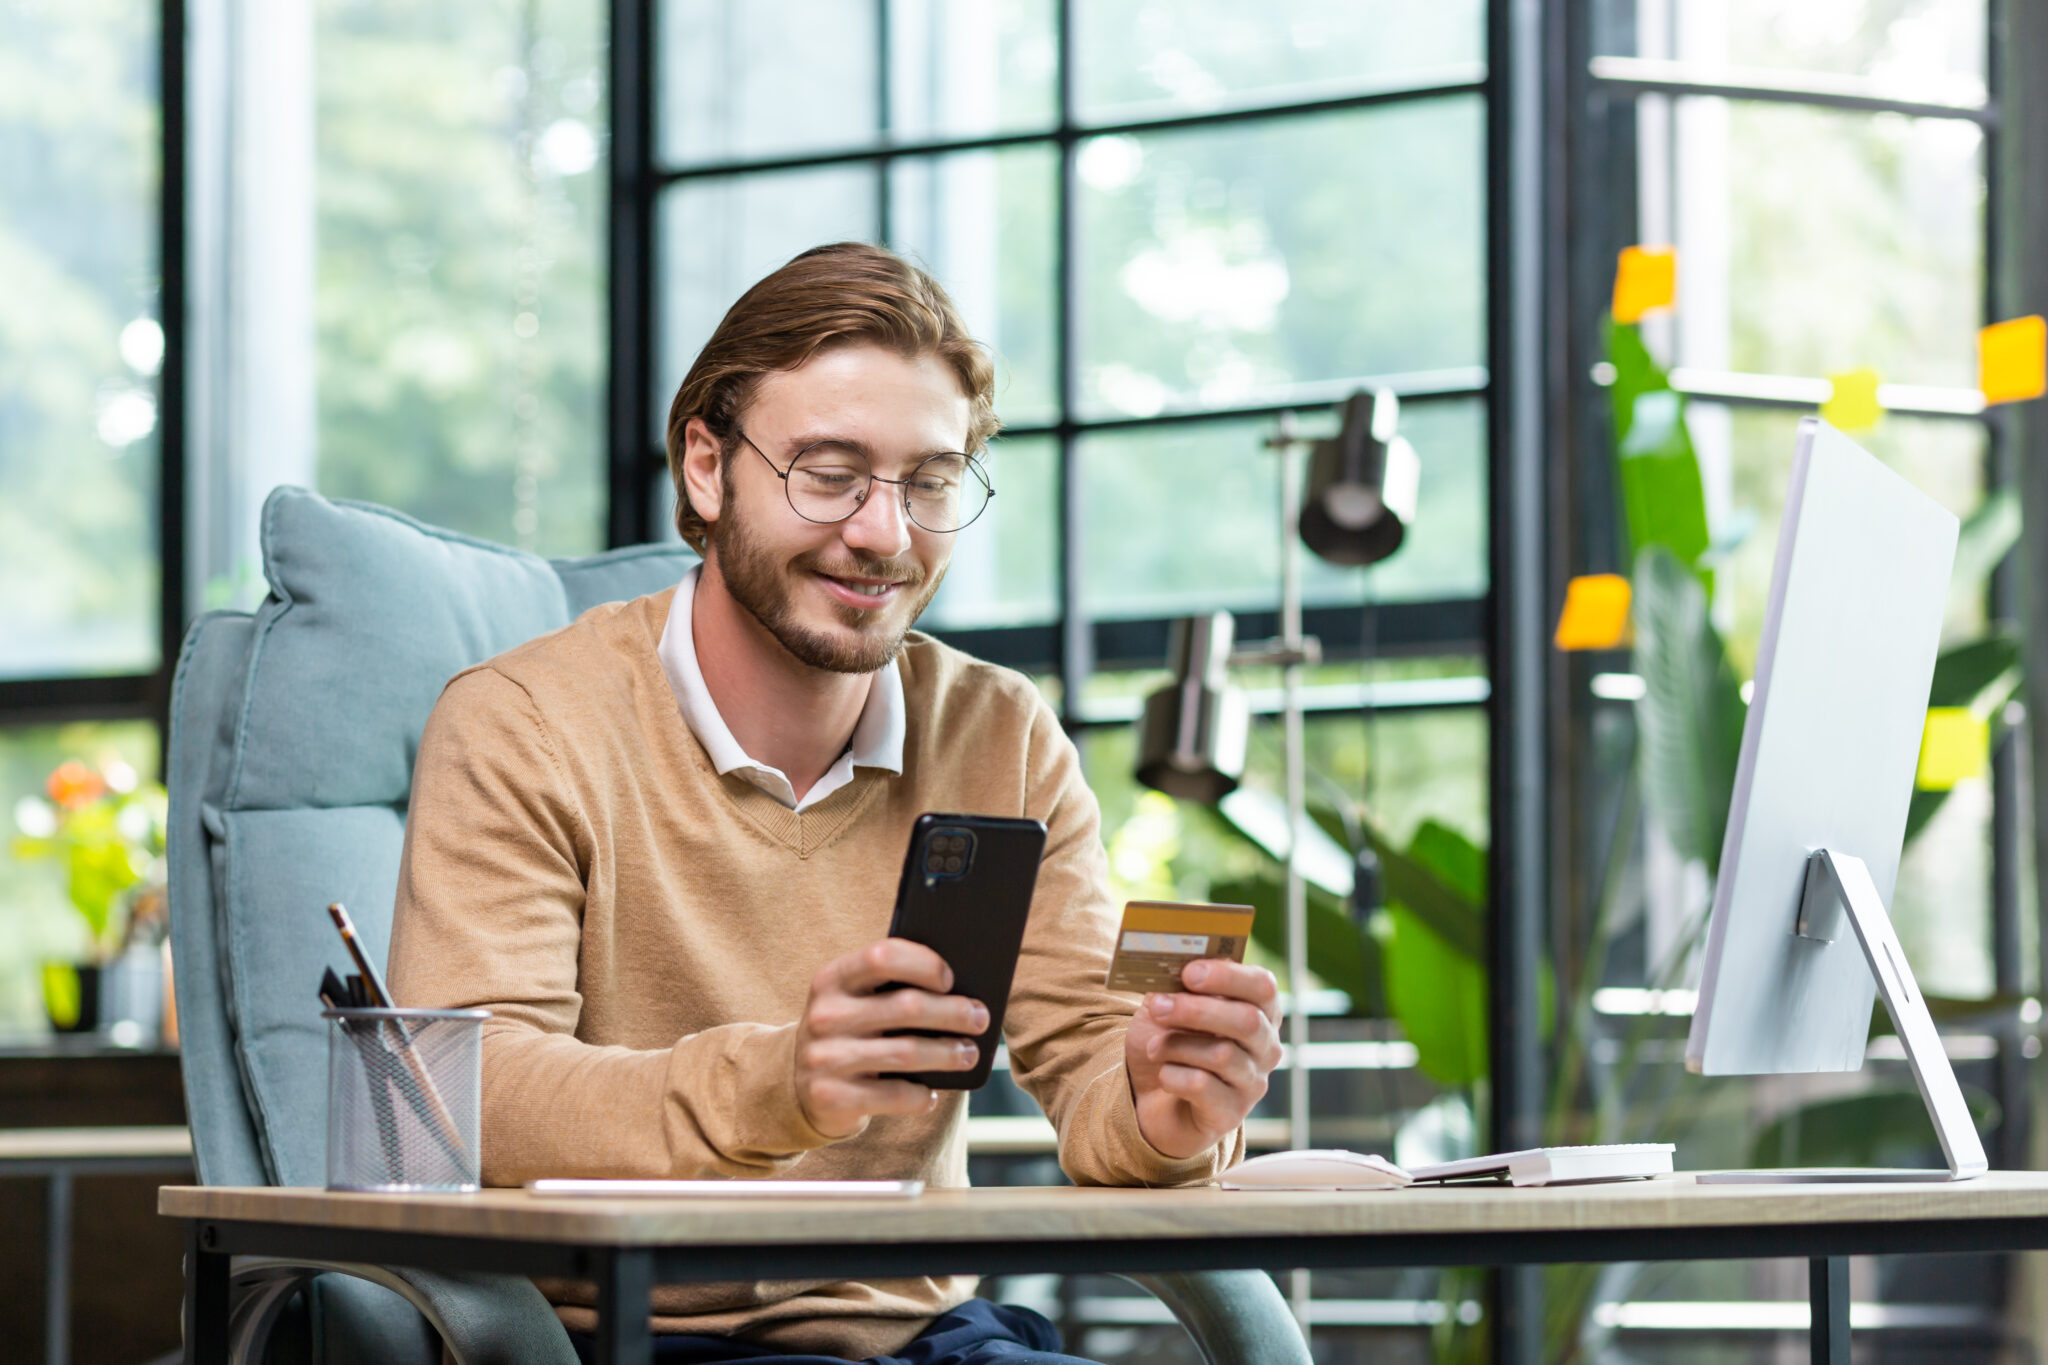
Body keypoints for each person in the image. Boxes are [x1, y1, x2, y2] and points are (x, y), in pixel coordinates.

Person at [388, 242, 1282, 1365]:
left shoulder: (999, 731)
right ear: (706, 468)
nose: (884, 533)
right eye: (828, 473)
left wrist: (1167, 1107)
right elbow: (470, 1096)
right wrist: (781, 1082)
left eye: (930, 481)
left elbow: (1095, 1074)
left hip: (929, 1340)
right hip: (626, 1337)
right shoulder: (521, 722)